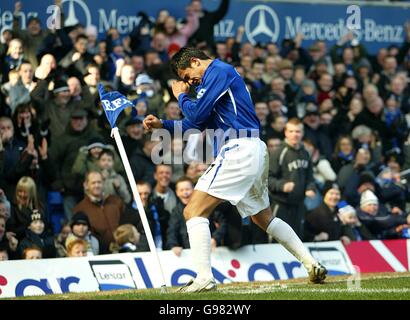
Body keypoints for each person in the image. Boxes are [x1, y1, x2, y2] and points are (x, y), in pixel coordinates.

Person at [143, 47, 326, 292]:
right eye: (185, 81)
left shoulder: (218, 71)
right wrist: (162, 124)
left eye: (187, 75)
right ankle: (311, 263)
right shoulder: (218, 83)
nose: (188, 82)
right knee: (263, 218)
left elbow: (195, 116)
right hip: (252, 149)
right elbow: (194, 125)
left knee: (192, 211)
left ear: (196, 61)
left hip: (238, 149)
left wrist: (181, 96)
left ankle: (203, 278)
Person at [268, 118, 317, 238]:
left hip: (299, 204)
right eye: (291, 131)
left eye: (298, 131)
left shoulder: (305, 153)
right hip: (280, 204)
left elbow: (310, 177)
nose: (294, 134)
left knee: (296, 238)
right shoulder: (278, 152)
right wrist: (282, 185)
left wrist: (310, 188)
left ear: (302, 133)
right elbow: (266, 179)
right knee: (277, 238)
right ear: (285, 132)